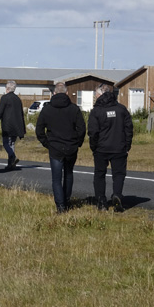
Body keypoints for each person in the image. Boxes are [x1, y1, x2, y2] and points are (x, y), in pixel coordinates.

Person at [36, 82, 86, 214]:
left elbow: (39, 130)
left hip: (55, 148)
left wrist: (47, 144)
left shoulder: (47, 109)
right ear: (67, 93)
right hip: (71, 147)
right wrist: (78, 143)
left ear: (54, 93)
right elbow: (81, 128)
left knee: (56, 179)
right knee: (68, 175)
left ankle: (60, 206)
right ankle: (67, 201)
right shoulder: (74, 109)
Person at [88, 84, 133, 212]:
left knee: (99, 175)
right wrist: (127, 145)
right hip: (119, 147)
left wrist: (93, 147)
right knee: (118, 174)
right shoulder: (121, 109)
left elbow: (93, 132)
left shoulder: (96, 111)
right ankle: (117, 195)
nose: (95, 97)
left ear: (100, 94)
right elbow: (128, 129)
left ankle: (101, 201)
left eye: (96, 94)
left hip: (101, 148)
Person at [0, 80, 26, 170]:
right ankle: (11, 163)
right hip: (17, 125)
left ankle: (12, 156)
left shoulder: (4, 98)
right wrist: (23, 128)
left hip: (7, 125)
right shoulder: (17, 99)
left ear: (7, 88)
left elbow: (0, 112)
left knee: (6, 143)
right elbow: (21, 114)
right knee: (12, 143)